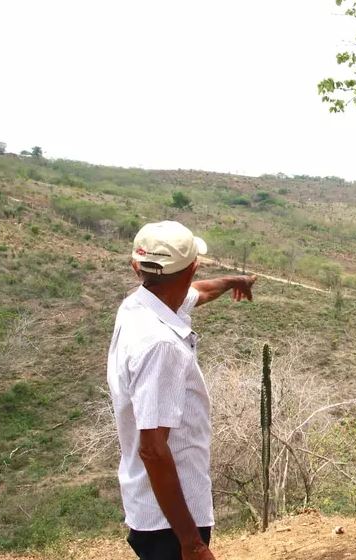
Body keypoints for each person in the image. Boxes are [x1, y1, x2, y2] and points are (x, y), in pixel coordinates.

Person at [107, 220, 257, 560]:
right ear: (193, 266)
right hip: (172, 521)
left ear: (137, 267)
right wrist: (192, 543)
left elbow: (198, 292)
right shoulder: (162, 347)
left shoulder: (137, 306)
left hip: (151, 505)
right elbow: (153, 449)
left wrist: (235, 281)